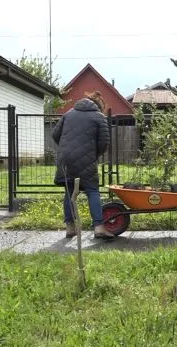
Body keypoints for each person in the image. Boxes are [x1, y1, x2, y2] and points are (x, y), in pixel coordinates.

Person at [52, 91, 114, 238]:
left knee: (70, 191)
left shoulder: (68, 113)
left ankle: (70, 227)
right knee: (92, 190)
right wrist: (93, 155)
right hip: (87, 159)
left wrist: (66, 149)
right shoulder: (99, 117)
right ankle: (99, 227)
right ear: (98, 106)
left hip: (66, 159)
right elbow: (104, 142)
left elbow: (55, 134)